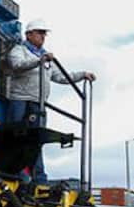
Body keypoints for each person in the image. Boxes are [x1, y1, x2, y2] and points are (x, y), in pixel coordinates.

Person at [7, 18, 95, 183]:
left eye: (44, 34)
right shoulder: (19, 50)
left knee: (36, 140)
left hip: (38, 103)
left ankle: (39, 178)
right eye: (40, 33)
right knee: (15, 136)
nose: (43, 36)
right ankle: (13, 172)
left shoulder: (46, 57)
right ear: (29, 34)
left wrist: (82, 75)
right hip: (20, 100)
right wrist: (39, 61)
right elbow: (17, 65)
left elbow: (61, 77)